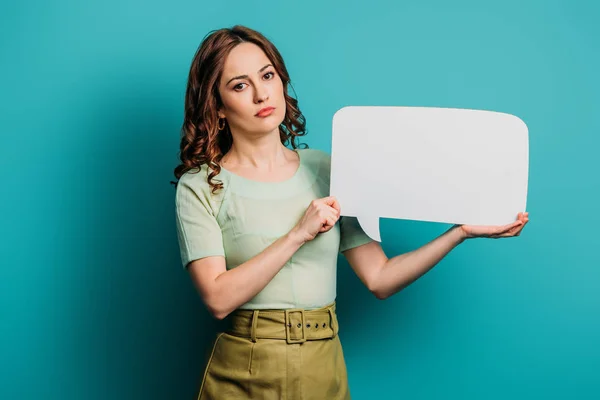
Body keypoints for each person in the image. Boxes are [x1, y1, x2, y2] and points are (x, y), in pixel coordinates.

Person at [172, 25, 529, 400]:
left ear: (281, 81)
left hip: (322, 361)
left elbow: (380, 278)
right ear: (218, 107)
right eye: (240, 85)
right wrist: (299, 234)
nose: (262, 93)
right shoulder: (200, 185)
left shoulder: (329, 170)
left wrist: (460, 232)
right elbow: (217, 298)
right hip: (243, 366)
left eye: (267, 75)